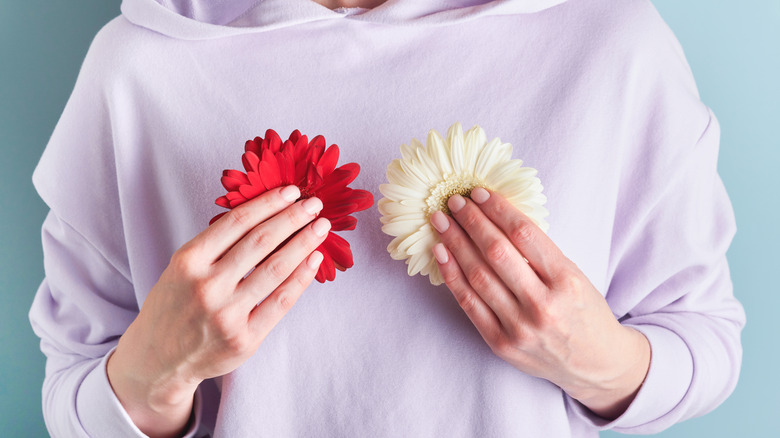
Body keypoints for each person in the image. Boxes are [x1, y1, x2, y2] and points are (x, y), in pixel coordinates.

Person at [29, 0, 745, 437]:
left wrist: (598, 361)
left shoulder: (613, 43)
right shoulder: (139, 68)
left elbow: (706, 339)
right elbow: (70, 397)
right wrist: (155, 373)